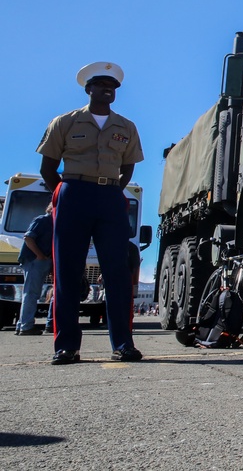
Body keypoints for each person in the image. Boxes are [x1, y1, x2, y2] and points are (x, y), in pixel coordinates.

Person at [37, 61, 144, 364]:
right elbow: (47, 168)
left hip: (110, 196)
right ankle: (66, 346)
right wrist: (65, 194)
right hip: (73, 193)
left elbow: (128, 168)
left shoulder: (126, 127)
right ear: (89, 89)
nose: (108, 89)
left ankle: (123, 344)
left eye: (112, 86)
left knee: (117, 273)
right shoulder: (66, 122)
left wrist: (109, 190)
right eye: (101, 85)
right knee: (67, 272)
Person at [16, 204, 54, 335]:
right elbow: (28, 238)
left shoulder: (52, 223)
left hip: (41, 260)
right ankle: (26, 326)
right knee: (31, 293)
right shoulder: (42, 220)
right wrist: (40, 255)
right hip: (34, 260)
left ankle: (22, 324)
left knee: (30, 293)